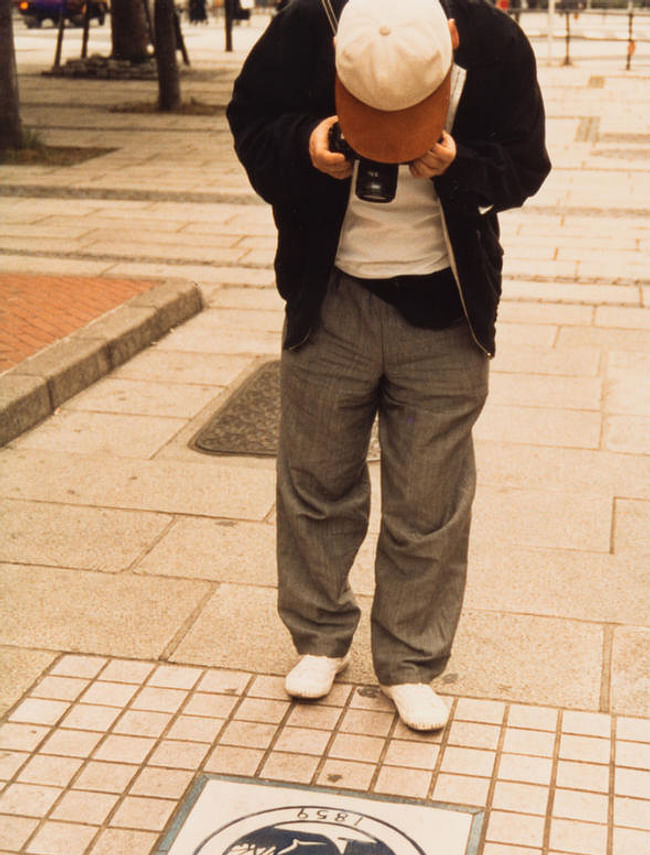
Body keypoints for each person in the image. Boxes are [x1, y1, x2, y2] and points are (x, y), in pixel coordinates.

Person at [227, 0, 550, 731]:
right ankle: (318, 635)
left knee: (430, 501)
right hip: (330, 294)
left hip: (446, 308)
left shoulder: (493, 41)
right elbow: (250, 119)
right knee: (314, 479)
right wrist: (306, 145)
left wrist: (460, 167)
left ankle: (409, 659)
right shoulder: (309, 23)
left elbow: (526, 164)